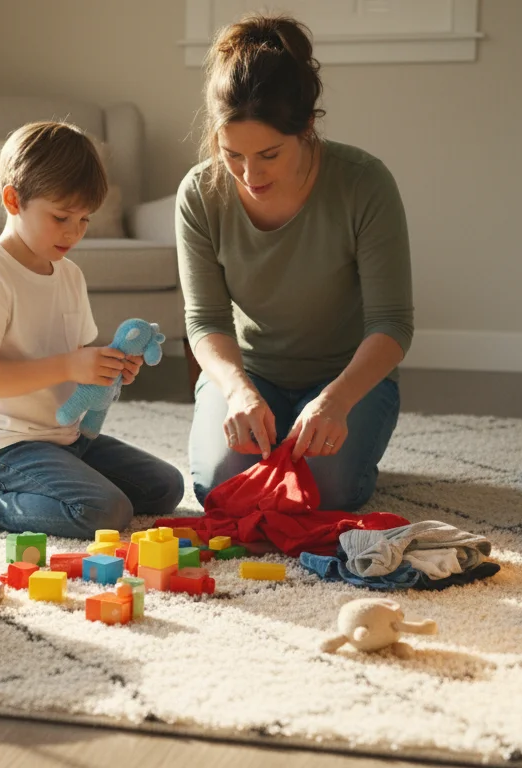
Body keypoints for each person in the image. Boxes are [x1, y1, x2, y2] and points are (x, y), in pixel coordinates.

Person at [179, 13, 414, 511]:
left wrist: (335, 401)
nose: (249, 174)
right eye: (231, 154)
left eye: (268, 154)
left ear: (306, 126)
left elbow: (392, 325)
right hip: (250, 373)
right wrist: (238, 391)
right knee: (221, 491)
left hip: (344, 378)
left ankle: (334, 437)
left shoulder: (364, 184)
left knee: (325, 496)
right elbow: (205, 321)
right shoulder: (199, 194)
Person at [0, 121, 185, 537]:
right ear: (12, 200)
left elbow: (80, 356)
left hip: (63, 435)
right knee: (105, 512)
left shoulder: (69, 274)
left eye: (85, 219)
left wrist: (109, 366)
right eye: (60, 217)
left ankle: (51, 484)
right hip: (2, 445)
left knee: (165, 487)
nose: (74, 232)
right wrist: (69, 366)